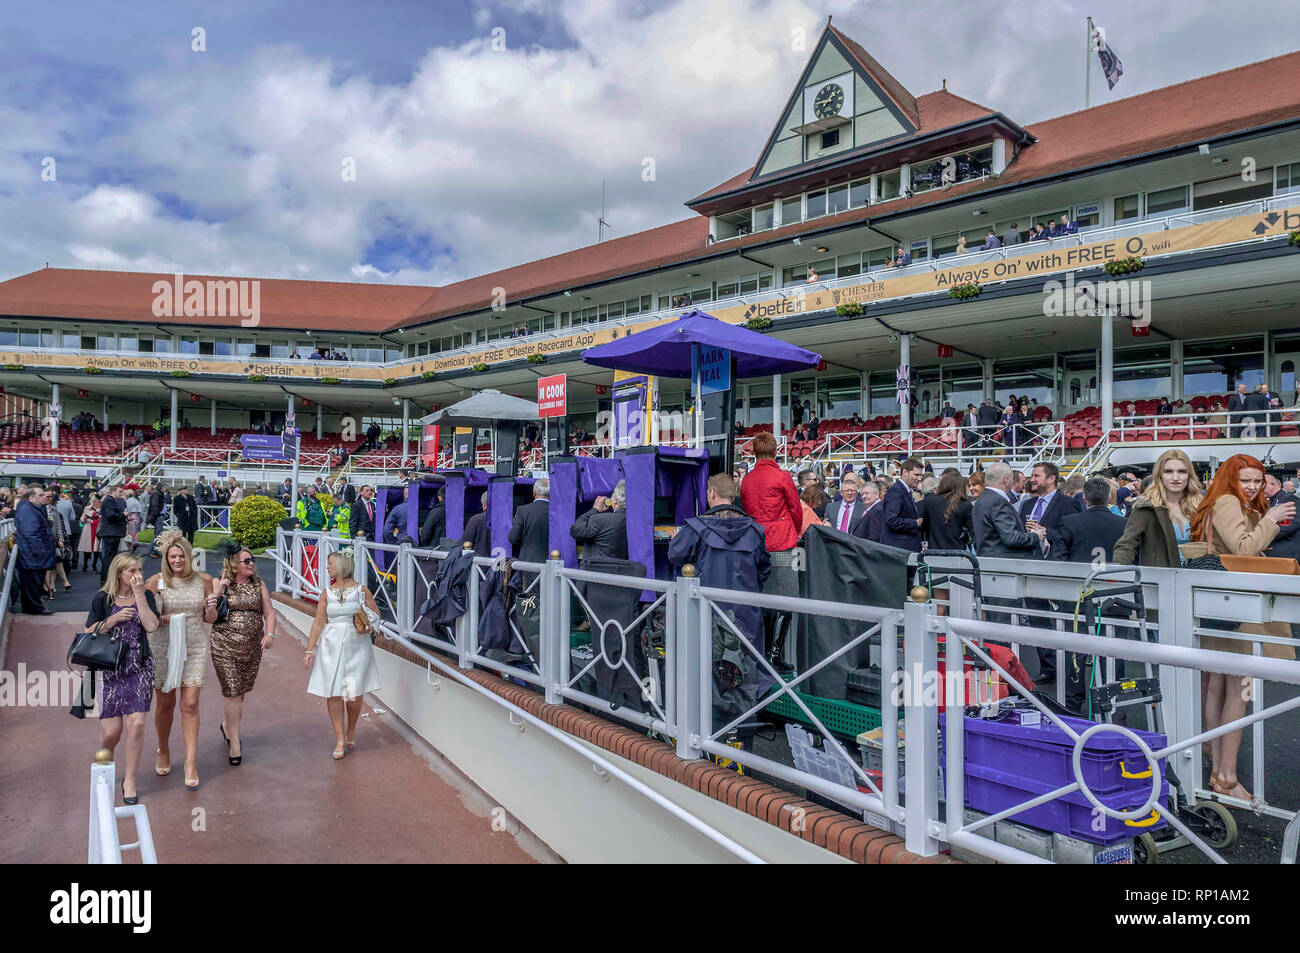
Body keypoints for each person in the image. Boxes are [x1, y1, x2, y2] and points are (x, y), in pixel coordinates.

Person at [1188, 454, 1296, 809]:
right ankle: (1226, 776)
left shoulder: (1221, 500)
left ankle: (1219, 772)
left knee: (1221, 686)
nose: (1252, 487)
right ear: (1231, 479)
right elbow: (1243, 549)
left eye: (1257, 481)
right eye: (1246, 480)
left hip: (1222, 611)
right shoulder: (1228, 501)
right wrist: (1269, 519)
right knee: (1240, 690)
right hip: (1236, 613)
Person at [668, 473, 773, 689]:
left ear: (712, 493)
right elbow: (764, 569)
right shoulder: (755, 529)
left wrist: (675, 539)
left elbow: (675, 555)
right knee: (747, 667)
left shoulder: (697, 526)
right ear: (733, 497)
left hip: (708, 611)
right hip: (746, 611)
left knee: (708, 668)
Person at [84, 553, 159, 805]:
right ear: (119, 573)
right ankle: (106, 761)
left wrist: (139, 595)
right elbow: (88, 631)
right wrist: (111, 620)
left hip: (139, 667)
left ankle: (130, 780)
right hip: (111, 669)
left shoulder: (146, 595)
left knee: (136, 724)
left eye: (140, 569)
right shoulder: (102, 598)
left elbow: (151, 626)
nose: (138, 575)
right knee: (111, 733)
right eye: (131, 571)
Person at [146, 532, 217, 789]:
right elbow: (149, 619)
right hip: (164, 645)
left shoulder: (204, 580)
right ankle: (163, 749)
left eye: (181, 555)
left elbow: (210, 618)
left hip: (195, 644)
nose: (177, 560)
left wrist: (211, 608)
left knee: (190, 703)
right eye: (172, 556)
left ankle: (190, 761)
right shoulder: (155, 582)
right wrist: (167, 619)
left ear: (189, 556)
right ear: (166, 558)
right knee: (165, 704)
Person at [304, 550, 382, 760]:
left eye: (331, 564)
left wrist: (366, 624)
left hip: (357, 644)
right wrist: (310, 649)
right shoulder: (326, 592)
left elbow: (376, 616)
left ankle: (352, 728)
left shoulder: (361, 590)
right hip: (331, 644)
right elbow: (319, 621)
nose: (327, 567)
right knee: (334, 692)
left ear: (341, 565)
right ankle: (339, 738)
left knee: (353, 694)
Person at [210, 544, 277, 766]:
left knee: (241, 690)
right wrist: (220, 588)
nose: (251, 564)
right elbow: (208, 611)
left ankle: (227, 725)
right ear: (234, 564)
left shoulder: (259, 585)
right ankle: (235, 741)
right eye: (246, 561)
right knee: (232, 691)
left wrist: (269, 634)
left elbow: (269, 612)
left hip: (251, 646)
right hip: (224, 644)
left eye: (252, 560)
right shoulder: (219, 583)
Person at [738, 432, 803, 555]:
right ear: (775, 452)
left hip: (757, 540)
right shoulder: (783, 476)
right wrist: (794, 531)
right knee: (787, 574)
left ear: (755, 453)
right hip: (783, 540)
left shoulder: (747, 480)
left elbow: (746, 511)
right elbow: (796, 509)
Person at [1049, 477, 1127, 563]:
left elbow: (1058, 558)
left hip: (1078, 575)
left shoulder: (1069, 522)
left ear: (1084, 499)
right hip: (1113, 575)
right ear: (1109, 498)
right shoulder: (1124, 524)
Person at [15, 487, 56, 615]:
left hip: (33, 555)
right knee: (32, 582)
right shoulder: (29, 511)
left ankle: (33, 606)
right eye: (41, 495)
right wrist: (40, 551)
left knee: (33, 582)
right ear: (32, 497)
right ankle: (34, 607)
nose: (45, 497)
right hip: (32, 556)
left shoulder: (31, 510)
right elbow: (30, 533)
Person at [570, 482, 628, 560]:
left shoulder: (598, 520)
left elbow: (575, 530)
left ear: (615, 502)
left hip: (598, 570)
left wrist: (595, 509)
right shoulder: (637, 522)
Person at [920, 468, 974, 551]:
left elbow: (926, 526)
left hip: (934, 551)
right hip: (957, 552)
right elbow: (972, 531)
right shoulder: (965, 504)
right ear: (960, 486)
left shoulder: (929, 501)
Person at [881, 457, 924, 552]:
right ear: (905, 472)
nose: (919, 478)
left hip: (904, 549)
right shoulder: (896, 491)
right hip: (899, 551)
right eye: (916, 475)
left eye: (921, 475)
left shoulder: (904, 491)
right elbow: (892, 520)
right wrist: (916, 523)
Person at [508, 479, 550, 563]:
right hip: (553, 563)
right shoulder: (558, 512)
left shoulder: (522, 511)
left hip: (527, 563)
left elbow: (513, 538)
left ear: (534, 493)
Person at [98, 486, 128, 584]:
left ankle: (106, 578)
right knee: (109, 557)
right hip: (111, 532)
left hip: (111, 532)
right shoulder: (110, 501)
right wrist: (123, 515)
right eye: (120, 491)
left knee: (109, 556)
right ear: (112, 491)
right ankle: (106, 579)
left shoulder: (110, 500)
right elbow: (110, 515)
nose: (121, 493)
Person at [78, 493, 102, 572]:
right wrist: (85, 518)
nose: (97, 504)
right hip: (88, 529)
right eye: (95, 502)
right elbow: (81, 519)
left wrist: (100, 519)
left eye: (98, 502)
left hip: (98, 529)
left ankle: (94, 564)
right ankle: (85, 565)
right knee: (87, 548)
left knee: (97, 549)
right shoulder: (87, 508)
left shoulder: (102, 509)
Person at [145, 483, 166, 556]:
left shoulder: (160, 494)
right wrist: (157, 514)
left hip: (160, 515)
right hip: (158, 516)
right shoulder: (157, 494)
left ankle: (155, 549)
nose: (165, 488)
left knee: (158, 533)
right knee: (158, 533)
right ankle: (151, 550)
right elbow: (155, 505)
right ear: (161, 488)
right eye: (164, 487)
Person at [124, 488, 142, 556]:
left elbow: (127, 511)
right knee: (134, 533)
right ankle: (133, 545)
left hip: (130, 517)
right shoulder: (135, 500)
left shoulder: (128, 501)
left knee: (130, 533)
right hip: (136, 517)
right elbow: (140, 510)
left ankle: (131, 547)